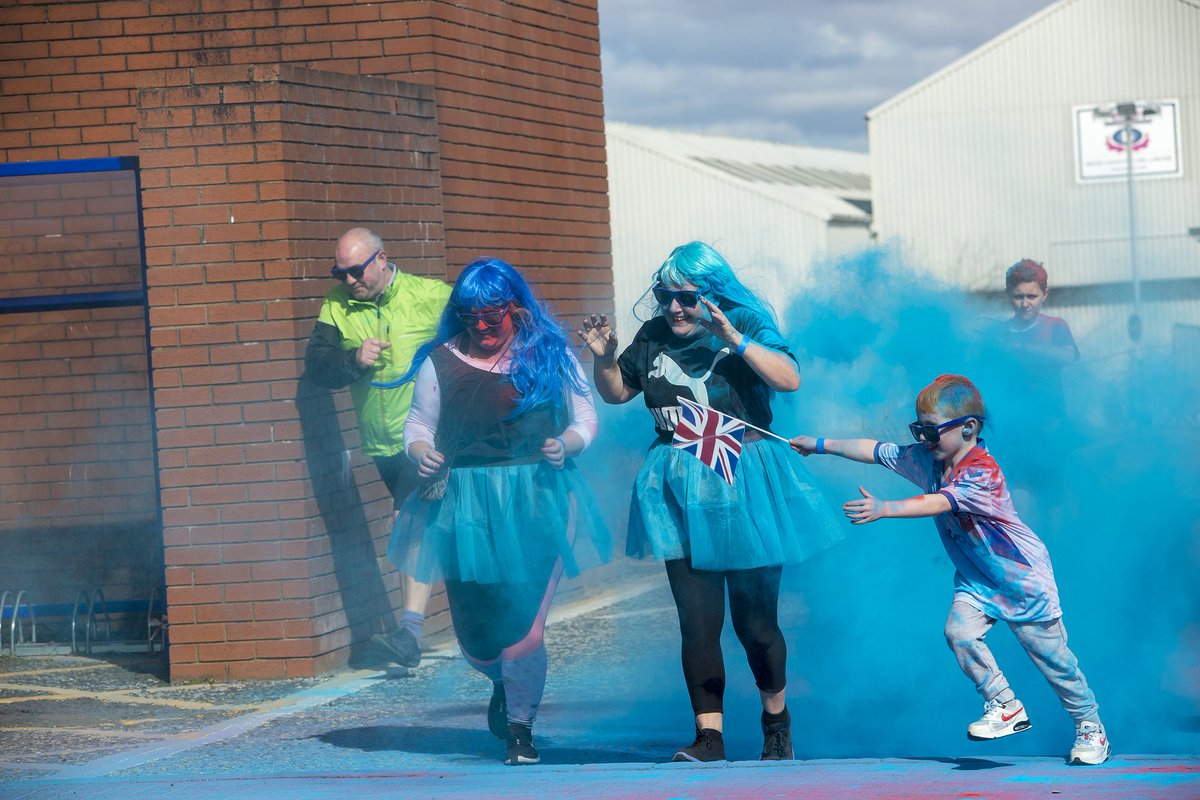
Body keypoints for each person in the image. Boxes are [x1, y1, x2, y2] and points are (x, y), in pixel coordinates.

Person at [579, 241, 841, 763]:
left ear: (712, 294)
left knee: (756, 624)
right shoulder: (654, 333)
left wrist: (736, 339)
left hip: (744, 478)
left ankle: (776, 726)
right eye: (664, 295)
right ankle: (709, 737)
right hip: (677, 483)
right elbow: (616, 392)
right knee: (697, 620)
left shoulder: (743, 320)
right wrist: (605, 358)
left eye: (687, 296)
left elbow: (789, 379)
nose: (674, 307)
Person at [789, 373, 1109, 766]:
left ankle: (1090, 726)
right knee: (958, 632)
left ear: (969, 428)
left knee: (1055, 662)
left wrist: (885, 508)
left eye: (931, 431)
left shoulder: (982, 472)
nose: (923, 439)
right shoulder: (927, 458)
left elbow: (938, 503)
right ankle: (1004, 704)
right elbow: (873, 449)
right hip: (977, 579)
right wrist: (819, 446)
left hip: (1022, 581)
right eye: (918, 430)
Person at [388, 257, 609, 766]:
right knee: (480, 643)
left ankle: (520, 731)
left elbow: (585, 416)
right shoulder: (440, 360)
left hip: (538, 498)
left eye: (494, 316)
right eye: (472, 317)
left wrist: (568, 444)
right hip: (464, 507)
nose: (483, 327)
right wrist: (423, 454)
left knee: (524, 628)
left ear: (516, 308)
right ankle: (502, 684)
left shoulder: (549, 353)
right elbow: (418, 425)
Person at [304, 227, 452, 668]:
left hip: (429, 436)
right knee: (436, 527)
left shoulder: (429, 296)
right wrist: (353, 360)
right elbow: (318, 366)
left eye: (356, 271)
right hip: (383, 444)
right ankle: (481, 610)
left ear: (382, 259)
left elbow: (482, 336)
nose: (349, 280)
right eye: (340, 272)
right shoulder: (337, 304)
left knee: (410, 521)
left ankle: (409, 634)